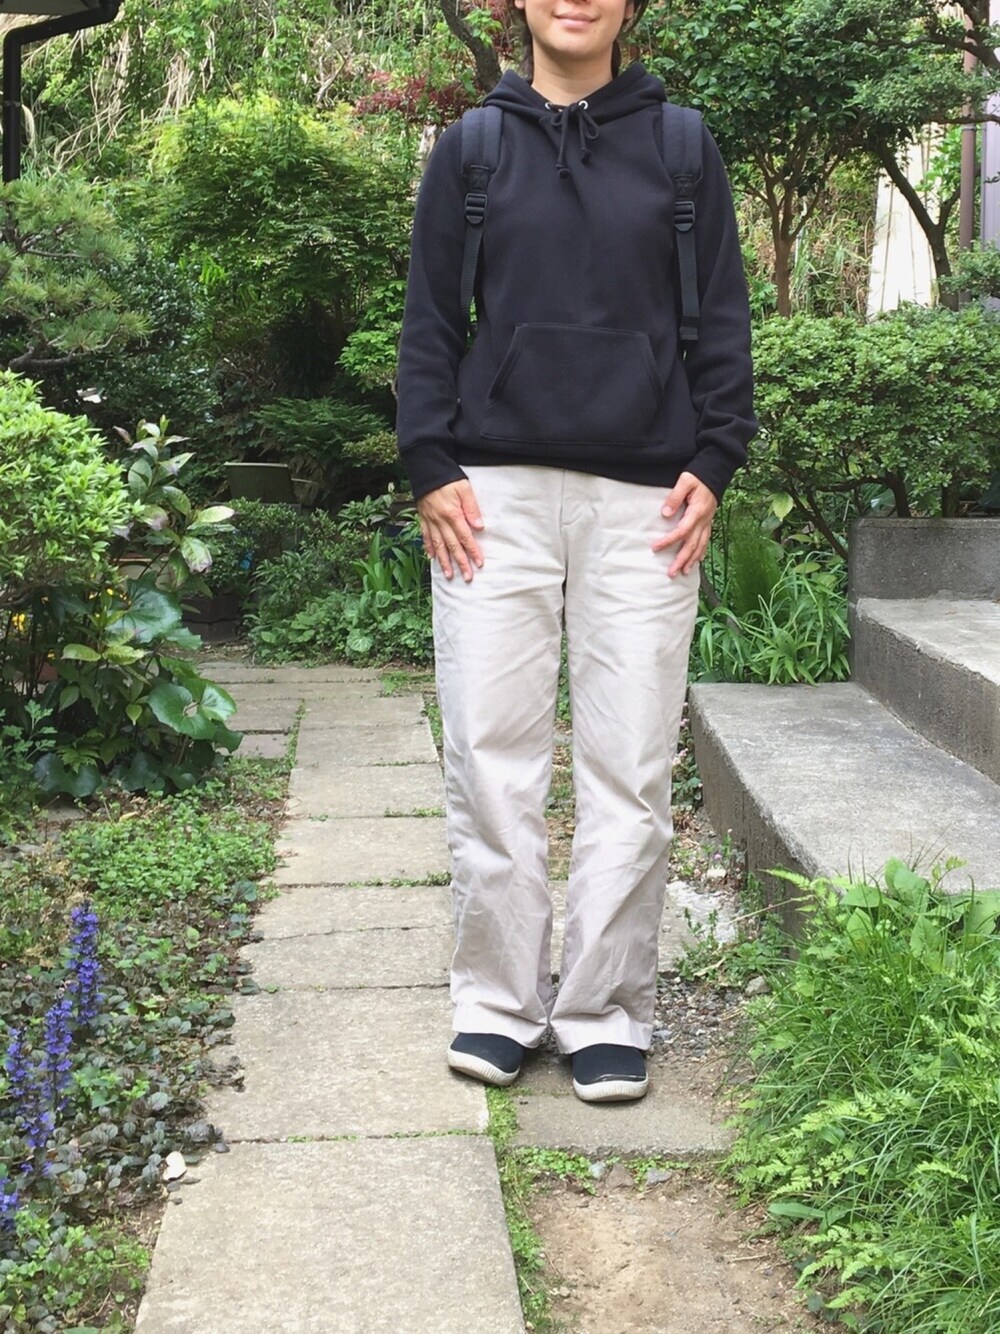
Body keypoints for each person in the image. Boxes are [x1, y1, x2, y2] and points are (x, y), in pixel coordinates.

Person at [395, 0, 756, 1102]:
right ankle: (497, 1003)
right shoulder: (473, 147)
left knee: (629, 765)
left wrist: (716, 456)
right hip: (489, 497)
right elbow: (430, 320)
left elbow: (725, 316)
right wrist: (428, 462)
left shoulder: (682, 146)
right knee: (488, 753)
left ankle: (605, 1010)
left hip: (647, 501)